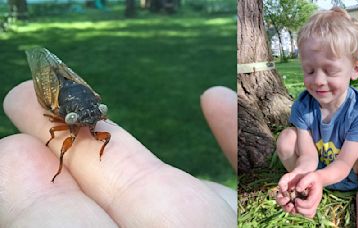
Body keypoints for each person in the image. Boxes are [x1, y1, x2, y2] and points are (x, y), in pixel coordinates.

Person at [0, 81, 237, 227]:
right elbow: (55, 126)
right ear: (68, 117)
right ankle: (60, 164)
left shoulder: (94, 116)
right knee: (51, 119)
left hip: (80, 98)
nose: (93, 121)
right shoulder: (63, 117)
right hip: (61, 97)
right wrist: (56, 131)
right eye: (73, 120)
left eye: (99, 113)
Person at [275, 7, 358, 228]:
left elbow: (345, 163)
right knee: (286, 138)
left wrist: (320, 178)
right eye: (309, 71)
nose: (318, 80)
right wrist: (302, 172)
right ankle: (306, 188)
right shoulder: (303, 106)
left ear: (355, 69)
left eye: (330, 71)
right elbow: (308, 155)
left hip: (352, 175)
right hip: (317, 174)